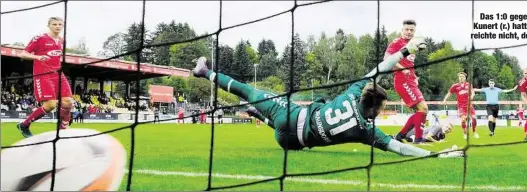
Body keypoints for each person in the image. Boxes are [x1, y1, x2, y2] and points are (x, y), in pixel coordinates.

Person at [193, 39, 462, 158]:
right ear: (374, 110)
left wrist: (405, 50)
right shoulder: (367, 131)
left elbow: (381, 68)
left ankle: (205, 72)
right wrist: (433, 156)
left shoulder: (355, 90)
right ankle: (259, 114)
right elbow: (400, 148)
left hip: (289, 117)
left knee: (249, 91)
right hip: (291, 143)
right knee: (285, 114)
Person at [16, 17, 73, 138]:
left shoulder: (62, 40)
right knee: (50, 105)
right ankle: (24, 125)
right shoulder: (40, 38)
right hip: (43, 75)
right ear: (49, 25)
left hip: (58, 73)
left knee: (68, 101)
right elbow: (22, 53)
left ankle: (63, 128)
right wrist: (37, 57)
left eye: (60, 24)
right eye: (54, 24)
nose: (57, 26)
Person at [387, 20, 430, 145]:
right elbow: (387, 58)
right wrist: (402, 68)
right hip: (402, 80)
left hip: (410, 80)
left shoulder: (412, 45)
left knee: (421, 111)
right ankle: (418, 140)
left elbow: (409, 63)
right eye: (407, 29)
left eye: (412, 30)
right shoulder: (397, 42)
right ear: (402, 30)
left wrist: (414, 75)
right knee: (423, 108)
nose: (409, 32)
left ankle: (400, 136)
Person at [443, 72, 478, 139]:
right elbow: (449, 93)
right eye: (460, 76)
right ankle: (465, 133)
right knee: (463, 120)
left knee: (474, 118)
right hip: (461, 106)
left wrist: (472, 96)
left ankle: (474, 132)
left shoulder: (469, 85)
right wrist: (445, 99)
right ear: (458, 78)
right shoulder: (455, 86)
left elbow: (473, 92)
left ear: (465, 78)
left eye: (462, 76)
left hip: (469, 105)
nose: (461, 78)